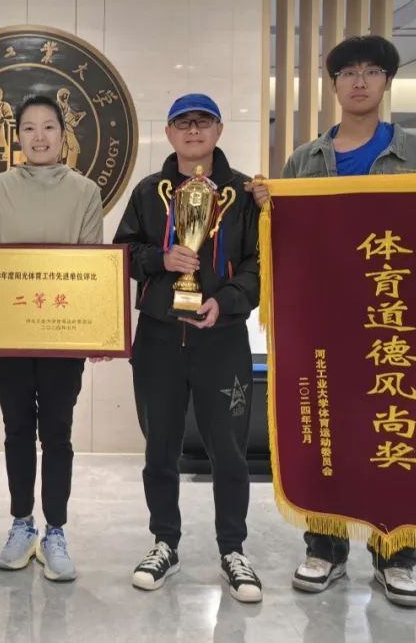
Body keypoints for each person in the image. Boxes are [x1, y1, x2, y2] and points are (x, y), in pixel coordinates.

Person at [248, 34, 416, 609]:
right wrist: (266, 208)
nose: (360, 81)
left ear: (386, 81)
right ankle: (325, 550)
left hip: (394, 322)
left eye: (371, 71)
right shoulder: (304, 160)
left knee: (393, 434)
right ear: (333, 85)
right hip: (325, 323)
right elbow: (285, 243)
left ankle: (395, 557)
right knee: (325, 433)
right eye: (348, 72)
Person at [113, 93, 263, 602]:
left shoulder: (244, 193)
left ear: (218, 130)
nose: (193, 131)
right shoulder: (148, 192)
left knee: (230, 450)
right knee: (160, 448)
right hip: (159, 338)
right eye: (183, 123)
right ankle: (164, 542)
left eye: (203, 122)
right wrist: (161, 259)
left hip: (222, 338)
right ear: (169, 133)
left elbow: (257, 263)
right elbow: (123, 252)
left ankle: (233, 549)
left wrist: (227, 301)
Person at [0, 94, 103, 582]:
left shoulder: (86, 191)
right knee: (15, 429)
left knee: (57, 432)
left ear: (63, 135)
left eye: (49, 127)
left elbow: (92, 265)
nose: (40, 137)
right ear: (17, 137)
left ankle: (56, 531)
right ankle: (21, 523)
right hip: (9, 333)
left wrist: (96, 331)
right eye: (29, 128)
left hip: (62, 335)